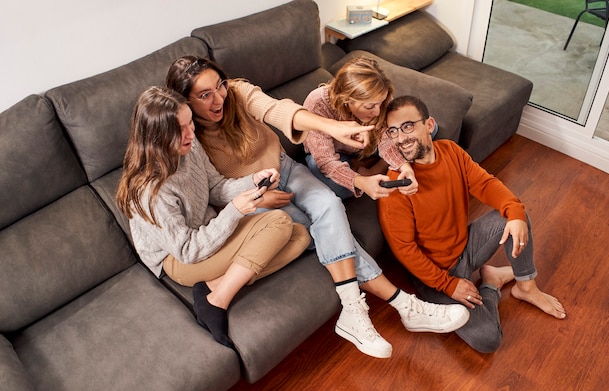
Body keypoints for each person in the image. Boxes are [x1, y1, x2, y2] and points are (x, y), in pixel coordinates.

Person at [165, 56, 469, 359]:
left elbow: (278, 109)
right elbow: (215, 188)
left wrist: (333, 129)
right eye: (205, 95)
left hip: (282, 167)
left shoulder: (238, 93)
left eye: (220, 86)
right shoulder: (186, 136)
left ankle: (358, 310)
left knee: (329, 205)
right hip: (254, 192)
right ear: (185, 102)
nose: (219, 97)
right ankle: (402, 304)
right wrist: (257, 195)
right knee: (314, 228)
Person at [116, 86, 311, 349]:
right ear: (158, 136)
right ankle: (217, 300)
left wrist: (252, 182)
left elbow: (215, 188)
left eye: (190, 124)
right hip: (178, 259)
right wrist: (235, 211)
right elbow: (187, 250)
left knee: (300, 235)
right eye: (181, 129)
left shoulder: (190, 146)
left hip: (207, 232)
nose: (191, 133)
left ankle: (215, 285)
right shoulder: (151, 191)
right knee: (279, 223)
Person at [377, 95, 567, 353]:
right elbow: (404, 250)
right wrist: (449, 284)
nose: (401, 137)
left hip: (466, 247)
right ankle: (492, 283)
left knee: (514, 216)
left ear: (429, 125)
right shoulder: (397, 184)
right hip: (436, 275)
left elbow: (486, 185)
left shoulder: (451, 151)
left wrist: (515, 211)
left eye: (408, 126)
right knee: (488, 339)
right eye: (393, 131)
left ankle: (526, 287)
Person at [303, 57, 433, 200]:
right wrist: (362, 182)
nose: (377, 112)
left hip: (371, 146)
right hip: (336, 153)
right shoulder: (317, 104)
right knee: (339, 187)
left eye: (381, 103)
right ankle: (372, 167)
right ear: (346, 99)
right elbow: (326, 161)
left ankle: (375, 168)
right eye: (370, 106)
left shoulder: (380, 99)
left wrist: (405, 167)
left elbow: (385, 138)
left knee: (427, 128)